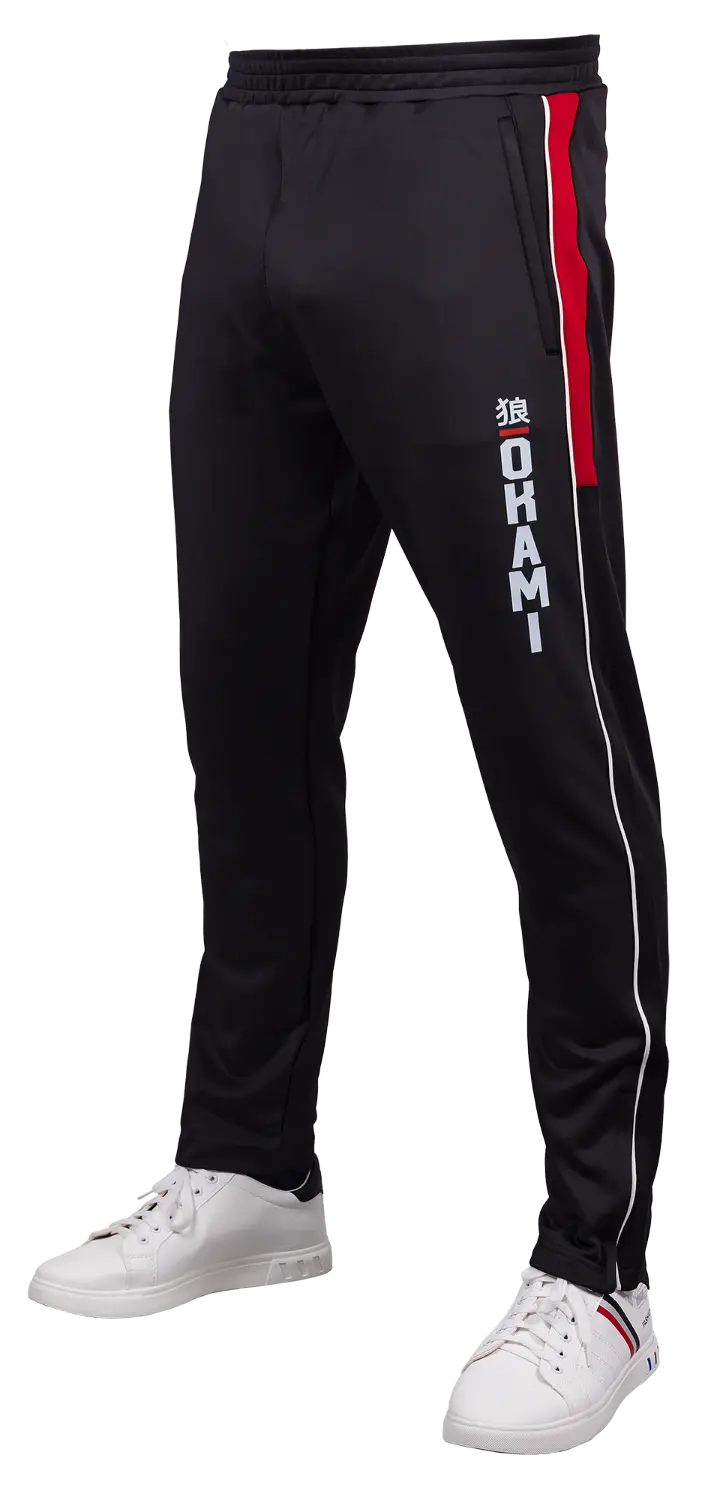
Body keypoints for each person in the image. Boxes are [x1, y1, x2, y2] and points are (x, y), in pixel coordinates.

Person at [29, 36, 667, 1454]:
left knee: (551, 721)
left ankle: (600, 1261)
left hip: (472, 129)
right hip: (256, 126)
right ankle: (250, 1163)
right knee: (243, 705)